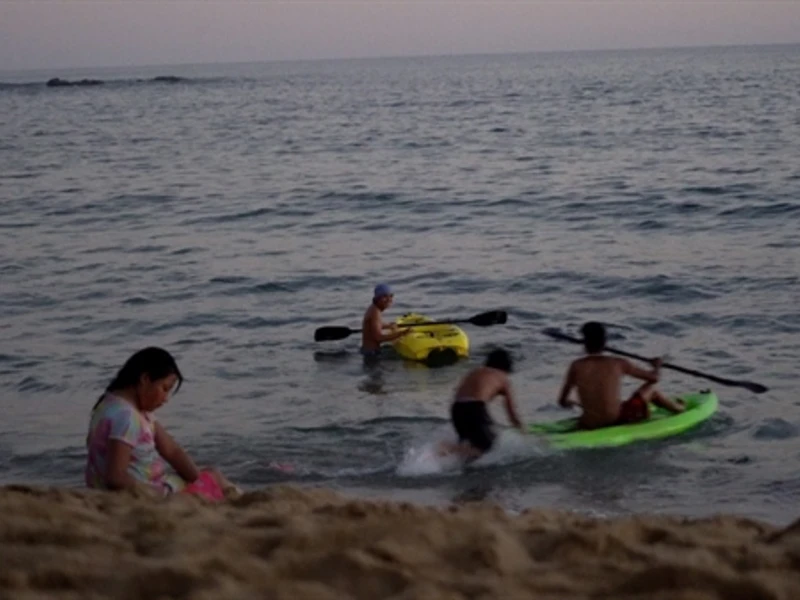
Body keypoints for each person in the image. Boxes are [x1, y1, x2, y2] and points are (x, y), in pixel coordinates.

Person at [85, 347, 240, 501]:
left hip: (115, 491)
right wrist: (157, 494)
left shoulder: (111, 404)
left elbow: (171, 450)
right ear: (145, 379)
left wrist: (198, 479)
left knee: (207, 476)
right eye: (164, 388)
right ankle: (238, 502)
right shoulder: (127, 417)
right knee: (215, 476)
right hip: (145, 495)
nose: (165, 399)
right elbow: (116, 477)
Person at [556, 321, 685, 429]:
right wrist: (656, 366)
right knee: (651, 390)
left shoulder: (576, 365)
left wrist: (571, 402)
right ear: (605, 342)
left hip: (588, 423)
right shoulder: (618, 363)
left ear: (584, 343)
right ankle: (679, 409)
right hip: (615, 420)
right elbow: (654, 379)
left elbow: (562, 401)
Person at [442, 349, 526, 460]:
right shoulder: (503, 378)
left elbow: (459, 391)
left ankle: (446, 452)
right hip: (474, 408)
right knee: (488, 447)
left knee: (469, 445)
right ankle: (443, 449)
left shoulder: (475, 371)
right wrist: (522, 431)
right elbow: (511, 413)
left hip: (456, 408)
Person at [360, 283, 410, 357]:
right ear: (377, 298)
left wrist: (388, 325)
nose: (389, 299)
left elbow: (375, 324)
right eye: (384, 296)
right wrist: (401, 333)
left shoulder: (374, 308)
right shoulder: (375, 312)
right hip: (371, 354)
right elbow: (378, 338)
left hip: (368, 351)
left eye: (391, 296)